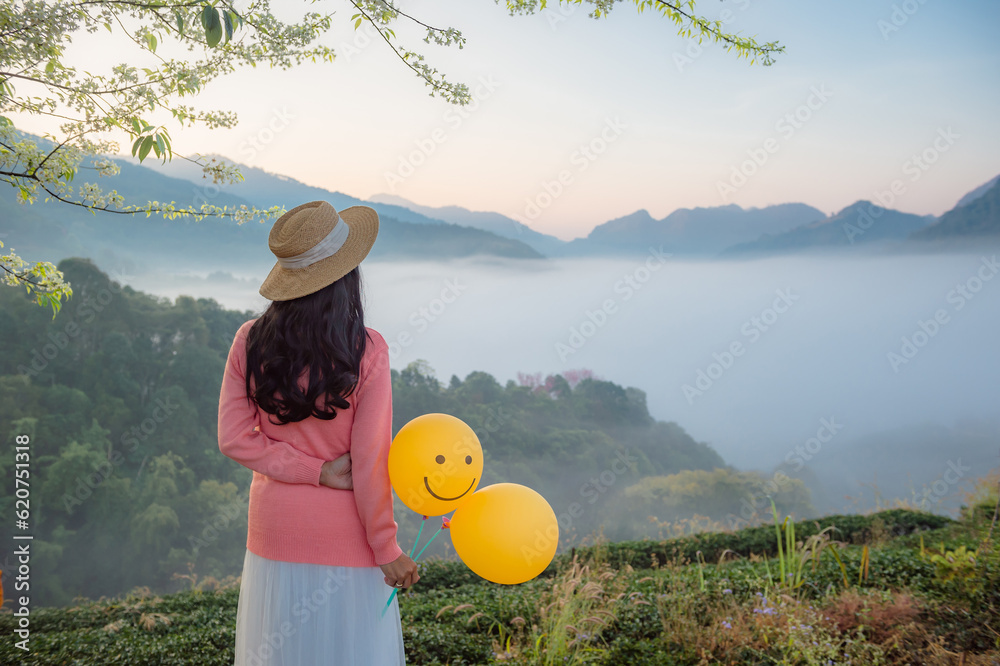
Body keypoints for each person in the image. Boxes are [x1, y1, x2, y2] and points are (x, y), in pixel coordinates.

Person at [218, 200, 419, 665]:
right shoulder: (366, 350)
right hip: (344, 541)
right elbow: (370, 462)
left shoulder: (250, 339)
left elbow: (234, 438)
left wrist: (309, 470)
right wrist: (386, 547)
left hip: (272, 535)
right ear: (346, 274)